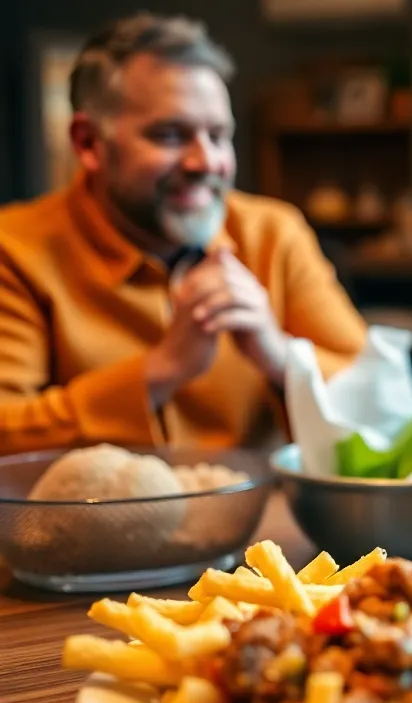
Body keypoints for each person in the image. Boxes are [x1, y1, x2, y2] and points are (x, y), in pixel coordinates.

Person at [0, 13, 366, 456]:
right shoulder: (14, 249)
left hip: (258, 519)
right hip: (84, 524)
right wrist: (160, 371)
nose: (206, 161)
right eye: (170, 135)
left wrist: (279, 355)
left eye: (218, 135)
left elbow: (376, 395)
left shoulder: (274, 234)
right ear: (88, 143)